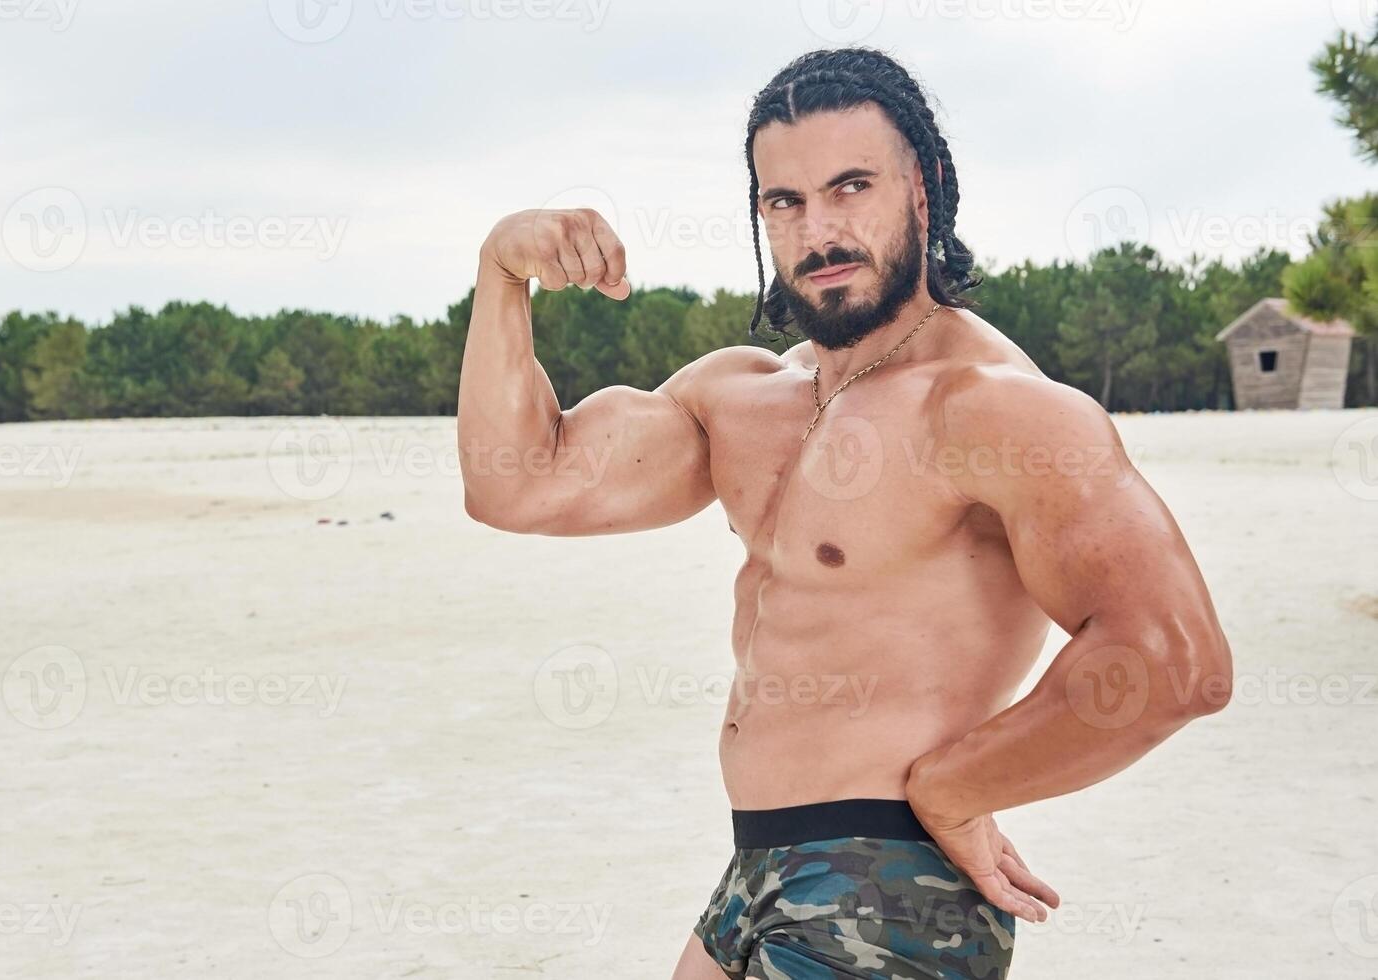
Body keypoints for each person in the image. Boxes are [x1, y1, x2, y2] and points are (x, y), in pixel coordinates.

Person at [457, 46, 1232, 980]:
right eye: (784, 202)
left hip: (890, 884)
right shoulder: (741, 397)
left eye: (850, 186)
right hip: (757, 869)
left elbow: (1170, 659)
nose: (818, 230)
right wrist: (502, 273)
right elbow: (516, 483)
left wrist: (955, 790)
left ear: (925, 186)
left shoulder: (988, 407)